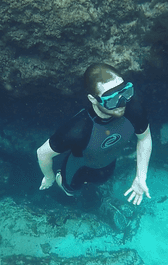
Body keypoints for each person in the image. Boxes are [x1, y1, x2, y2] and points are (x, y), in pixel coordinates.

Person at [36, 63, 152, 205]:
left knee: (100, 181)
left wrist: (141, 177)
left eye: (125, 92)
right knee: (69, 192)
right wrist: (49, 177)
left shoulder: (134, 108)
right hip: (78, 168)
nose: (122, 102)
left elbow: (144, 138)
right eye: (111, 99)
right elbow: (42, 153)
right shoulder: (78, 129)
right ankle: (61, 174)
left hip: (107, 165)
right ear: (93, 99)